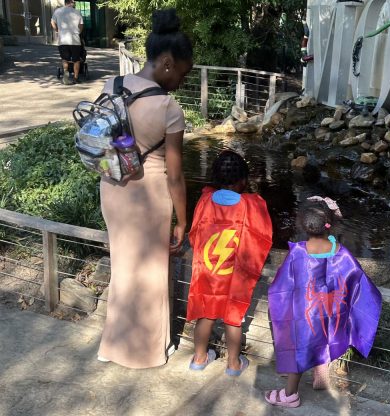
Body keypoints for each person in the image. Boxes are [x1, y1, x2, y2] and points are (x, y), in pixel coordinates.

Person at [97, 9, 192, 369]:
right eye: (181, 73)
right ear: (167, 63)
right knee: (151, 273)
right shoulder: (168, 108)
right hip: (149, 197)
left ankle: (113, 345)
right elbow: (175, 176)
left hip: (111, 187)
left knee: (124, 267)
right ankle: (147, 351)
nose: (181, 82)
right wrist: (183, 221)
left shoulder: (112, 86)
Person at [265, 197, 382, 407]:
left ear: (302, 225)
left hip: (305, 315)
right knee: (323, 340)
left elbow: (282, 286)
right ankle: (320, 373)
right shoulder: (341, 253)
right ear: (330, 224)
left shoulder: (298, 253)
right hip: (331, 315)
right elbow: (357, 281)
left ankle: (290, 395)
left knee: (298, 349)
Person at [186, 150, 273, 376]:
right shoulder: (251, 204)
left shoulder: (205, 200)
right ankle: (233, 365)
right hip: (235, 274)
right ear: (244, 179)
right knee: (233, 317)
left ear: (215, 178)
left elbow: (195, 233)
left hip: (209, 271)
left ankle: (199, 359)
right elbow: (261, 237)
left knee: (206, 313)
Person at [51, 0, 83, 85]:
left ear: (65, 3)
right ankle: (76, 78)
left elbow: (52, 22)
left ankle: (66, 77)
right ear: (71, 3)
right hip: (75, 40)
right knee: (76, 60)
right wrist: (78, 32)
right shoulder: (77, 12)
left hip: (63, 40)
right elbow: (81, 25)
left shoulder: (58, 11)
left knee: (65, 59)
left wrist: (57, 30)